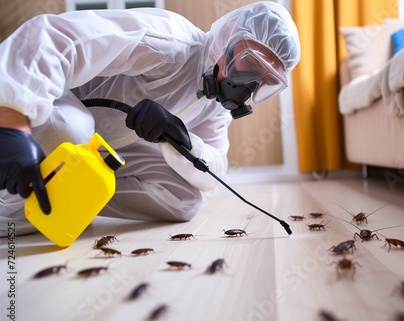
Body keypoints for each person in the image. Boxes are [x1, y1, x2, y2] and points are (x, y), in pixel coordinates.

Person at [0, 2, 301, 236]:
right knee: (74, 130)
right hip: (55, 114)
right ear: (227, 36)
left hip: (101, 148)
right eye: (249, 62)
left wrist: (184, 140)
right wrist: (13, 123)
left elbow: (215, 170)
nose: (248, 83)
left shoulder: (214, 105)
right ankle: (13, 205)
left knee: (184, 199)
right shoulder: (170, 43)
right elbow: (53, 37)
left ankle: (73, 194)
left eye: (263, 78)